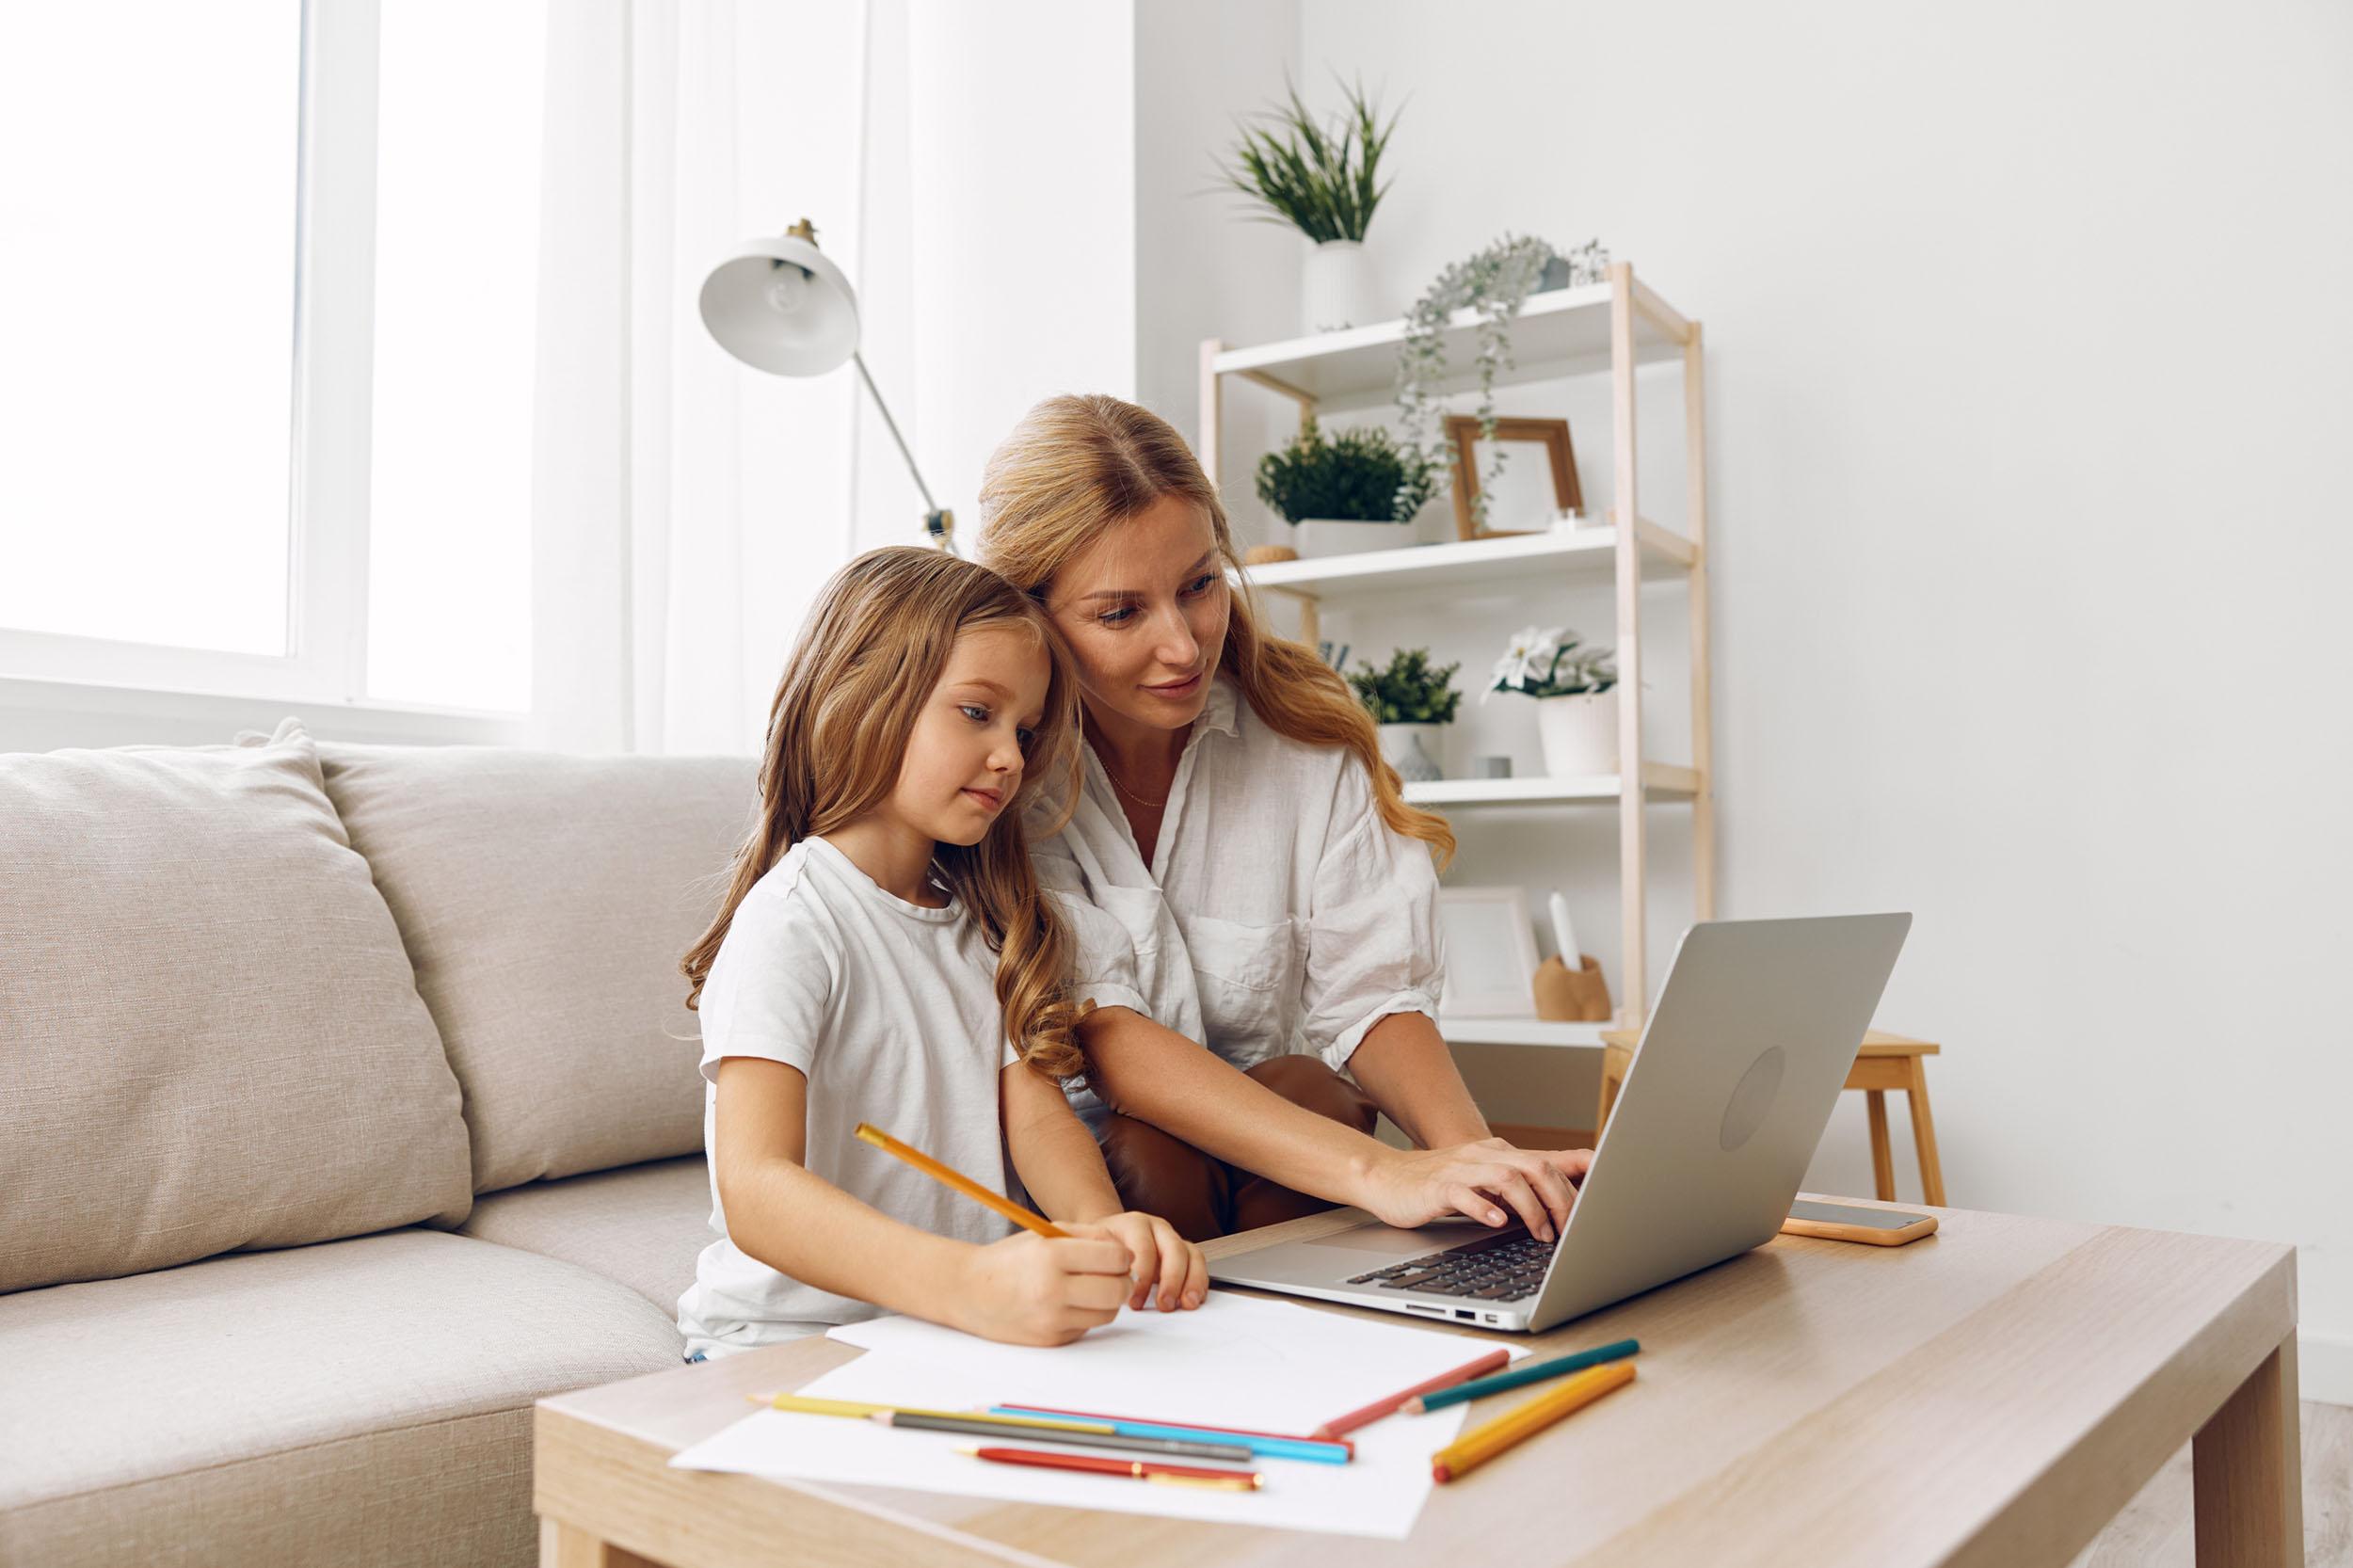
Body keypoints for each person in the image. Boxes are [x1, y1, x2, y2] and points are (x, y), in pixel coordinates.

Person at [976, 394, 1594, 1243]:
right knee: (1154, 1151)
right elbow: (1111, 1040)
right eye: (1121, 613)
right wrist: (1387, 1174)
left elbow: (1375, 992)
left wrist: (1482, 1171)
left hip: (1291, 1170)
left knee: (1311, 1086)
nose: (1185, 646)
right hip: (1096, 1196)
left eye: (1200, 586)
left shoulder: (1299, 731)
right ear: (1030, 615)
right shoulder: (1001, 779)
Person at [675, 546, 1204, 1359]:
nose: (1011, 757)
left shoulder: (985, 924)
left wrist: (1105, 1232)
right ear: (863, 698)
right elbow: (756, 1188)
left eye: (1023, 731)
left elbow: (1033, 1117)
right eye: (976, 713)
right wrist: (968, 1284)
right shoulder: (790, 923)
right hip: (786, 1344)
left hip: (946, 1333)